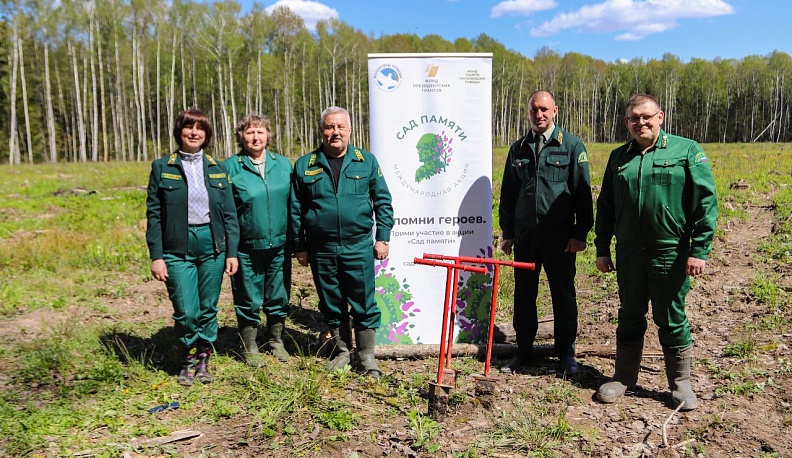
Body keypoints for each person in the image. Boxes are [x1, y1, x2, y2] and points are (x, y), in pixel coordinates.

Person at [594, 94, 717, 411]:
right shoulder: (619, 157)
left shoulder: (685, 150)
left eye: (647, 116)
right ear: (627, 122)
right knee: (630, 313)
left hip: (670, 252)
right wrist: (602, 248)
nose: (641, 122)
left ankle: (681, 384)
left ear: (660, 117)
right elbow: (605, 206)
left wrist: (699, 250)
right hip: (630, 254)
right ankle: (623, 377)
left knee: (671, 317)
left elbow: (705, 202)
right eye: (634, 118)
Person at [289, 106, 394, 377]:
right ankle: (342, 352)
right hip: (321, 249)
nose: (335, 132)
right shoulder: (305, 165)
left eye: (340, 127)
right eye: (329, 127)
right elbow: (295, 209)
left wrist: (382, 238)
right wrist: (299, 246)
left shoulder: (366, 161)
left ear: (349, 130)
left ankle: (367, 356)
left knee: (363, 302)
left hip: (358, 245)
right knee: (331, 302)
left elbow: (383, 201)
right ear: (322, 131)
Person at [498, 90, 593, 376]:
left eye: (543, 109)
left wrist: (580, 233)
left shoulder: (572, 146)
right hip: (526, 235)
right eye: (533, 110)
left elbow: (582, 194)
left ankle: (566, 354)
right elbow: (508, 194)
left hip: (560, 238)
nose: (538, 115)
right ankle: (523, 350)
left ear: (555, 111)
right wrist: (508, 232)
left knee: (563, 294)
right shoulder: (518, 149)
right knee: (523, 294)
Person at [146, 108, 239, 386]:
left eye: (200, 128)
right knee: (187, 310)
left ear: (207, 134)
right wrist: (156, 256)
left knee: (208, 307)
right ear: (180, 131)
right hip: (177, 248)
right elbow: (154, 214)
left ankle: (203, 357)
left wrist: (231, 252)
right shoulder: (163, 167)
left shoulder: (217, 167)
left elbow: (230, 214)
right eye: (189, 127)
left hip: (212, 246)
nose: (194, 132)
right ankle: (186, 355)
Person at [225, 114, 292, 367]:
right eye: (250, 132)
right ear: (240, 136)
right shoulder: (230, 167)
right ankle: (250, 345)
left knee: (278, 295)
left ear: (268, 136)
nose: (255, 137)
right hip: (245, 247)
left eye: (260, 132)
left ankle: (276, 340)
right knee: (247, 297)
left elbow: (294, 205)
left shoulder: (283, 165)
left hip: (279, 246)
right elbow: (224, 211)